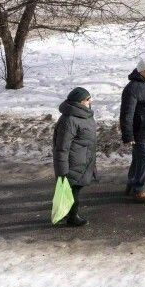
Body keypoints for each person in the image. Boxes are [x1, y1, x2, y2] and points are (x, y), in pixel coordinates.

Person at [52, 87, 98, 227]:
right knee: (73, 190)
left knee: (74, 189)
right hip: (73, 163)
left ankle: (67, 213)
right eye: (87, 99)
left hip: (83, 160)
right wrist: (62, 170)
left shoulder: (85, 116)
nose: (90, 101)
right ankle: (72, 218)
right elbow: (61, 147)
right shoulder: (69, 120)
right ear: (79, 102)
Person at [120, 57, 145, 203]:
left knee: (138, 157)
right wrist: (128, 135)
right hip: (137, 130)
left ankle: (132, 182)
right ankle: (138, 188)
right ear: (140, 71)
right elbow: (126, 114)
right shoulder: (132, 88)